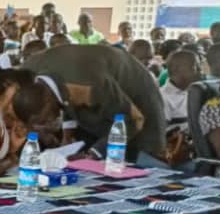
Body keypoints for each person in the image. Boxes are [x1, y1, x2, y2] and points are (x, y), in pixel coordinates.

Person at [24, 43, 168, 164]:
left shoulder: (90, 85)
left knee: (133, 162)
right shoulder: (28, 75)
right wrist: (67, 136)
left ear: (50, 101)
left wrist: (93, 153)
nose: (46, 124)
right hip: (101, 96)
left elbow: (131, 120)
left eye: (45, 119)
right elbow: (64, 95)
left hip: (138, 101)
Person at [160, 47, 200, 125]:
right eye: (195, 66)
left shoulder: (197, 91)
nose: (200, 69)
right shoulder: (162, 97)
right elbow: (164, 133)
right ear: (176, 69)